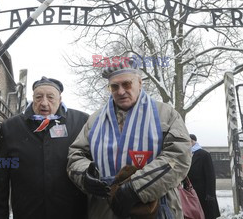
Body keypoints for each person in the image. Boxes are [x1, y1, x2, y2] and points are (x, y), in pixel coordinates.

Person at [67, 60, 192, 218]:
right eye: (114, 86)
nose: (120, 91)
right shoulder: (94, 120)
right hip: (105, 210)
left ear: (139, 83)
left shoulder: (166, 114)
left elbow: (179, 157)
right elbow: (76, 155)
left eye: (126, 84)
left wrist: (135, 188)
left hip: (154, 209)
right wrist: (85, 176)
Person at [0, 77, 89, 219]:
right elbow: (0, 179)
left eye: (50, 97)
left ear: (60, 99)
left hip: (72, 212)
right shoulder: (11, 127)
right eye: (39, 97)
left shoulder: (82, 122)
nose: (44, 103)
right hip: (27, 212)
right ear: (33, 98)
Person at [187, 134, 220, 219]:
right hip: (191, 193)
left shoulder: (204, 154)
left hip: (204, 194)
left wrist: (210, 194)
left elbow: (210, 176)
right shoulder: (187, 155)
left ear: (192, 141)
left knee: (205, 215)